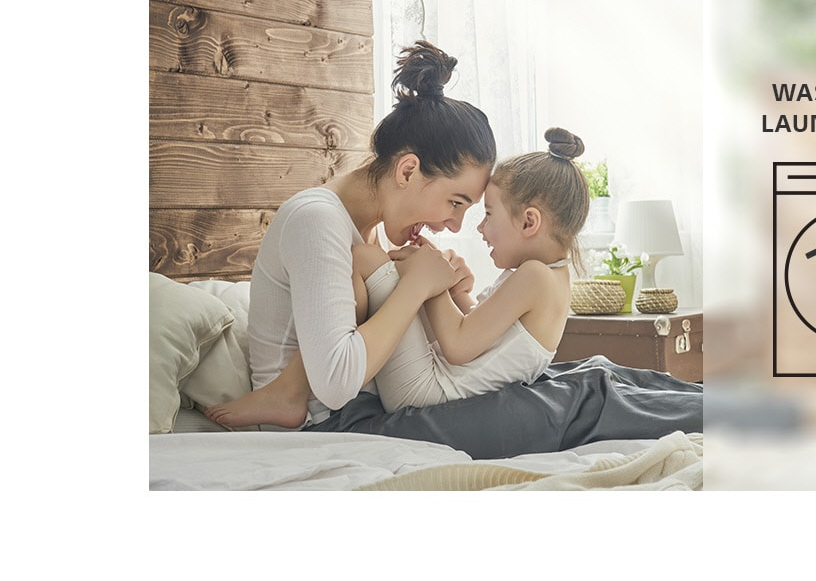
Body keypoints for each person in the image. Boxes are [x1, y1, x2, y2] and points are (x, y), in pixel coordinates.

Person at [201, 40, 497, 430]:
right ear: (408, 171)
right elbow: (337, 382)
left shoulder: (369, 233)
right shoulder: (316, 221)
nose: (455, 226)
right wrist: (416, 287)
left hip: (366, 413)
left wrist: (449, 295)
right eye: (455, 203)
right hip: (321, 423)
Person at [207, 128, 591, 426]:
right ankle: (291, 387)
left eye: (487, 214)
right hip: (437, 383)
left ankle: (290, 389)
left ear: (529, 221)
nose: (475, 228)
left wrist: (431, 282)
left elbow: (458, 346)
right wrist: (457, 295)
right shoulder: (549, 278)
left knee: (364, 258)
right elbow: (491, 343)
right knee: (377, 262)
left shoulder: (535, 277)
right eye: (458, 204)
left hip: (426, 391)